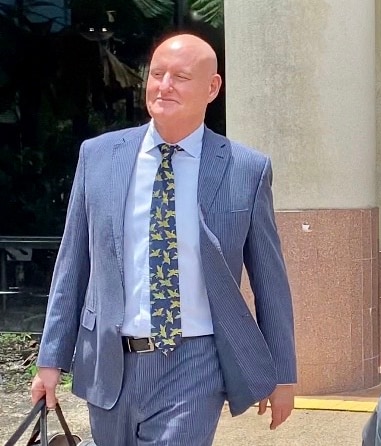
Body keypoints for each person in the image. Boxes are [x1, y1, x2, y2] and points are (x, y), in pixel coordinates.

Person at [30, 34, 297, 446]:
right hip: (109, 360)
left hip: (193, 362)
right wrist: (51, 359)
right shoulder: (99, 157)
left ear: (212, 88)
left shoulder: (247, 169)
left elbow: (270, 280)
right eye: (157, 74)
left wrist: (281, 372)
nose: (164, 85)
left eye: (181, 77)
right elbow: (72, 266)